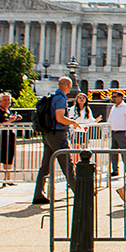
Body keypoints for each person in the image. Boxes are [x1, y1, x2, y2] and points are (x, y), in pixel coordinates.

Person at [32, 76, 83, 204]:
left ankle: (38, 193)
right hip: (57, 134)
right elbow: (60, 117)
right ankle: (78, 191)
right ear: (68, 86)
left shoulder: (52, 97)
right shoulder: (60, 98)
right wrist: (72, 122)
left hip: (48, 133)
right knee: (67, 162)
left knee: (46, 166)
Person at [104, 89, 126, 180]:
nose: (113, 99)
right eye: (112, 97)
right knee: (113, 152)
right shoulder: (114, 107)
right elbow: (110, 120)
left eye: (115, 97)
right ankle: (115, 170)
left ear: (121, 97)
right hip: (113, 132)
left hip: (122, 132)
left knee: (124, 152)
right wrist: (106, 131)